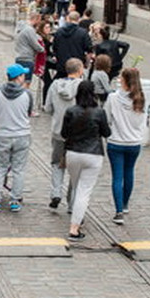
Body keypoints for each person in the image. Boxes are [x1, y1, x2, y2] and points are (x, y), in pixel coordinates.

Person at [62, 82, 110, 240]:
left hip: (73, 153)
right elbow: (106, 132)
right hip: (93, 154)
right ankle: (74, 228)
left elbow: (64, 133)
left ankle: (78, 217)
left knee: (77, 187)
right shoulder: (99, 112)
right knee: (84, 191)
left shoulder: (70, 111)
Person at [0, 65, 33, 213]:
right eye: (23, 75)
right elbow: (28, 112)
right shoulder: (27, 94)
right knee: (19, 169)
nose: (24, 77)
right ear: (18, 77)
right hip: (22, 135)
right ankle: (15, 200)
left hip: (2, 135)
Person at [105, 68, 148, 224]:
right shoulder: (140, 98)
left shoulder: (113, 98)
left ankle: (118, 212)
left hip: (116, 141)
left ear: (124, 80)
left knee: (117, 176)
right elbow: (142, 120)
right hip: (134, 142)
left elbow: (107, 118)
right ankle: (125, 204)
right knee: (129, 172)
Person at [43, 58, 84, 211]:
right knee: (76, 168)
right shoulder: (82, 86)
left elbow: (47, 108)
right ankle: (72, 204)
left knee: (57, 163)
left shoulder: (55, 85)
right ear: (79, 70)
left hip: (58, 131)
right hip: (77, 134)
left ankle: (55, 193)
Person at [14, 12, 44, 79]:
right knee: (26, 82)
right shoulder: (29, 30)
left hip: (19, 56)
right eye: (39, 20)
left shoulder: (21, 28)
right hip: (27, 58)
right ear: (36, 19)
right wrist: (42, 49)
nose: (39, 23)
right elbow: (35, 45)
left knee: (19, 80)